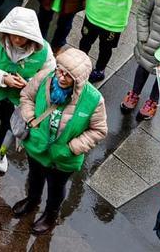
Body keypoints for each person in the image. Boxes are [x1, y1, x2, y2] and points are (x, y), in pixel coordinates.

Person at [12, 48, 108, 235]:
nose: (61, 78)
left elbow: (99, 130)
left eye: (69, 76)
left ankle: (50, 215)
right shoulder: (44, 78)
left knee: (56, 189)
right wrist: (31, 119)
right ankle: (32, 200)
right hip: (36, 146)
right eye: (60, 71)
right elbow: (26, 96)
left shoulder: (94, 99)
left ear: (79, 80)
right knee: (34, 177)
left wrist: (72, 148)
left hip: (64, 158)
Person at [0, 6, 55, 176]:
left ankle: (0, 152)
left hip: (18, 102)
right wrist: (2, 78)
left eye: (22, 37)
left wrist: (28, 84)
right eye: (14, 33)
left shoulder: (44, 51)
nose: (16, 39)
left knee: (9, 127)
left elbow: (49, 79)